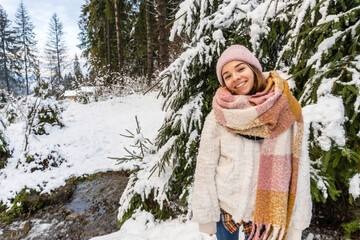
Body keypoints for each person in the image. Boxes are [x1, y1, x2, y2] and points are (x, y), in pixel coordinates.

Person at [192, 45, 312, 240]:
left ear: (253, 69)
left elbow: (300, 169)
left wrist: (296, 224)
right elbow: (205, 167)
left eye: (240, 69)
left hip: (265, 214)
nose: (235, 78)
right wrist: (206, 217)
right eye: (227, 75)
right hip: (226, 209)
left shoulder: (285, 109)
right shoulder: (219, 115)